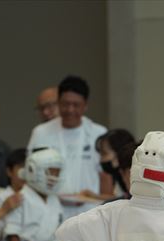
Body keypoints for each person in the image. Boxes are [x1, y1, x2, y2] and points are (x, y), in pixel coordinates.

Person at [28, 75, 111, 221]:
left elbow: (105, 176)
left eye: (76, 105)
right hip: (51, 213)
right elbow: (31, 173)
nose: (70, 110)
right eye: (65, 104)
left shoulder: (98, 133)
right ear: (58, 103)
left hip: (89, 212)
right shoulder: (41, 133)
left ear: (85, 105)